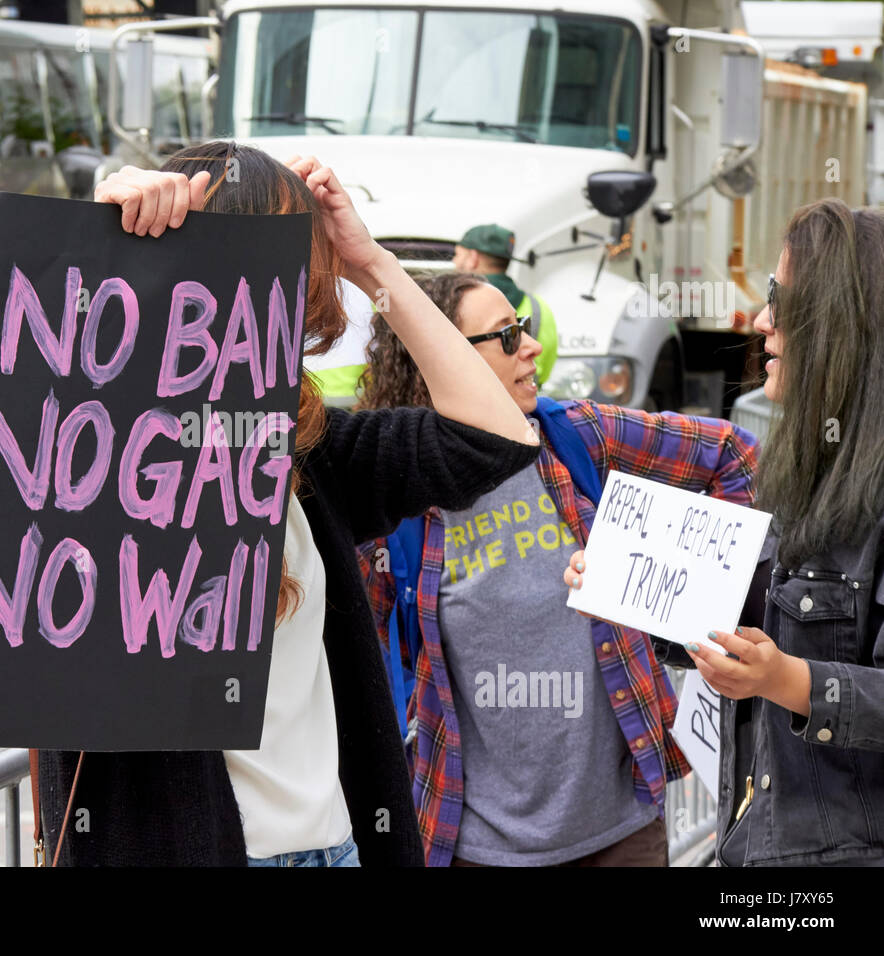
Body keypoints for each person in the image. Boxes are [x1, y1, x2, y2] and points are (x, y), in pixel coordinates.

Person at [0, 141, 541, 867]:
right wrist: (84, 249)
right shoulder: (105, 444)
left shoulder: (311, 448)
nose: (292, 279)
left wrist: (371, 261)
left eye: (302, 257)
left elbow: (493, 437)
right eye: (270, 249)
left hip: (332, 850)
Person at [358, 271, 759, 866]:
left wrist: (672, 591)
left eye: (522, 326)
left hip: (623, 835)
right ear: (438, 358)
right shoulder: (398, 497)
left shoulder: (578, 436)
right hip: (473, 846)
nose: (532, 344)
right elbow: (352, 655)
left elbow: (735, 455)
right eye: (506, 335)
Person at [568, 198, 884, 866]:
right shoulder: (804, 470)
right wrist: (629, 591)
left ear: (843, 326)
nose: (761, 321)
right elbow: (743, 630)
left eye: (781, 300)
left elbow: (789, 671)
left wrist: (786, 679)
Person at [453, 223, 558, 386]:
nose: (454, 261)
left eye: (457, 254)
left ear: (473, 258)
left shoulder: (457, 304)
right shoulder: (538, 306)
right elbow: (547, 366)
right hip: (528, 402)